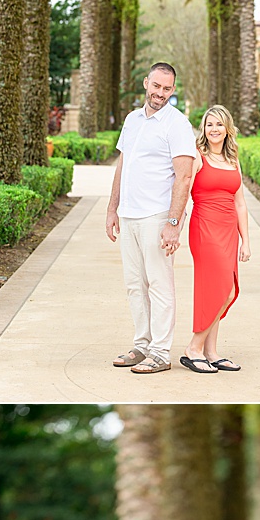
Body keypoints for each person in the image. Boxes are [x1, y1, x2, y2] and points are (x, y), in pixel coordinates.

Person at [106, 62, 196, 375]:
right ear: (146, 83)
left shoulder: (177, 124)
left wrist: (173, 224)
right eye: (156, 86)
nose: (160, 93)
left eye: (167, 89)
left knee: (159, 285)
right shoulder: (131, 120)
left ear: (173, 90)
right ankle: (141, 345)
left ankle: (159, 352)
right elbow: (123, 165)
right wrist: (112, 208)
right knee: (134, 285)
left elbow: (184, 178)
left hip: (157, 216)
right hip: (129, 215)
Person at [182, 104, 251, 374]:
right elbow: (184, 192)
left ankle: (211, 352)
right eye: (209, 124)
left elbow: (240, 203)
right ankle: (193, 348)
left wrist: (246, 240)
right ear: (204, 129)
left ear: (227, 129)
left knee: (223, 288)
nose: (214, 129)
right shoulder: (198, 157)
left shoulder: (233, 160)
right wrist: (174, 225)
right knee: (221, 288)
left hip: (228, 231)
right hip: (204, 228)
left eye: (219, 124)